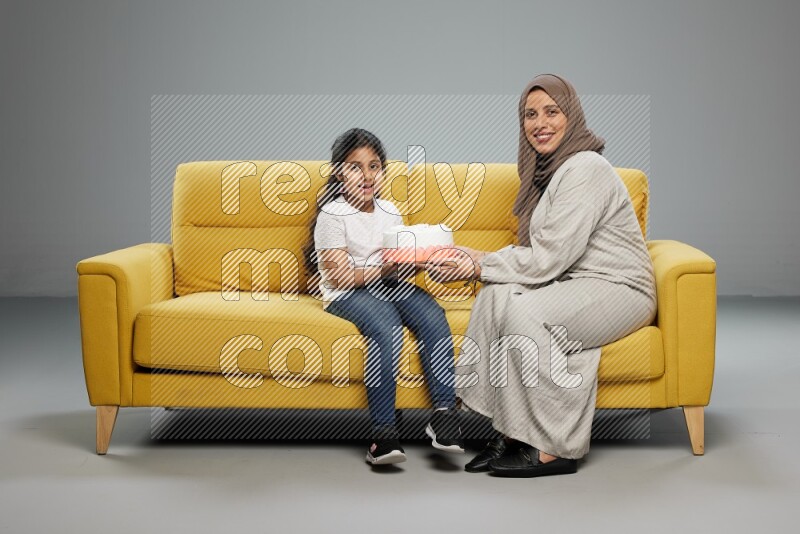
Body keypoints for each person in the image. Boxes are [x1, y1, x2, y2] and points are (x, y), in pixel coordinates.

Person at [428, 74, 657, 477]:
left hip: (621, 288)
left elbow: (548, 258)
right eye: (530, 114)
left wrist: (478, 266)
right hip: (576, 281)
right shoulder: (547, 172)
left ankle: (554, 446)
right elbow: (545, 252)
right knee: (496, 296)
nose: (540, 123)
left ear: (572, 115)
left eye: (552, 111)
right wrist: (474, 256)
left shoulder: (586, 167)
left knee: (526, 314)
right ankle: (511, 430)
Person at [304, 128, 464, 465]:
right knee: (386, 324)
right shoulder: (333, 215)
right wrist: (388, 269)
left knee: (432, 313)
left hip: (387, 285)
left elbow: (399, 267)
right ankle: (383, 434)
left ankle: (445, 414)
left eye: (373, 166)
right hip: (347, 293)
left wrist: (422, 261)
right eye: (355, 167)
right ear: (339, 173)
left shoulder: (390, 211)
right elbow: (340, 276)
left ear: (382, 171)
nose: (366, 176)